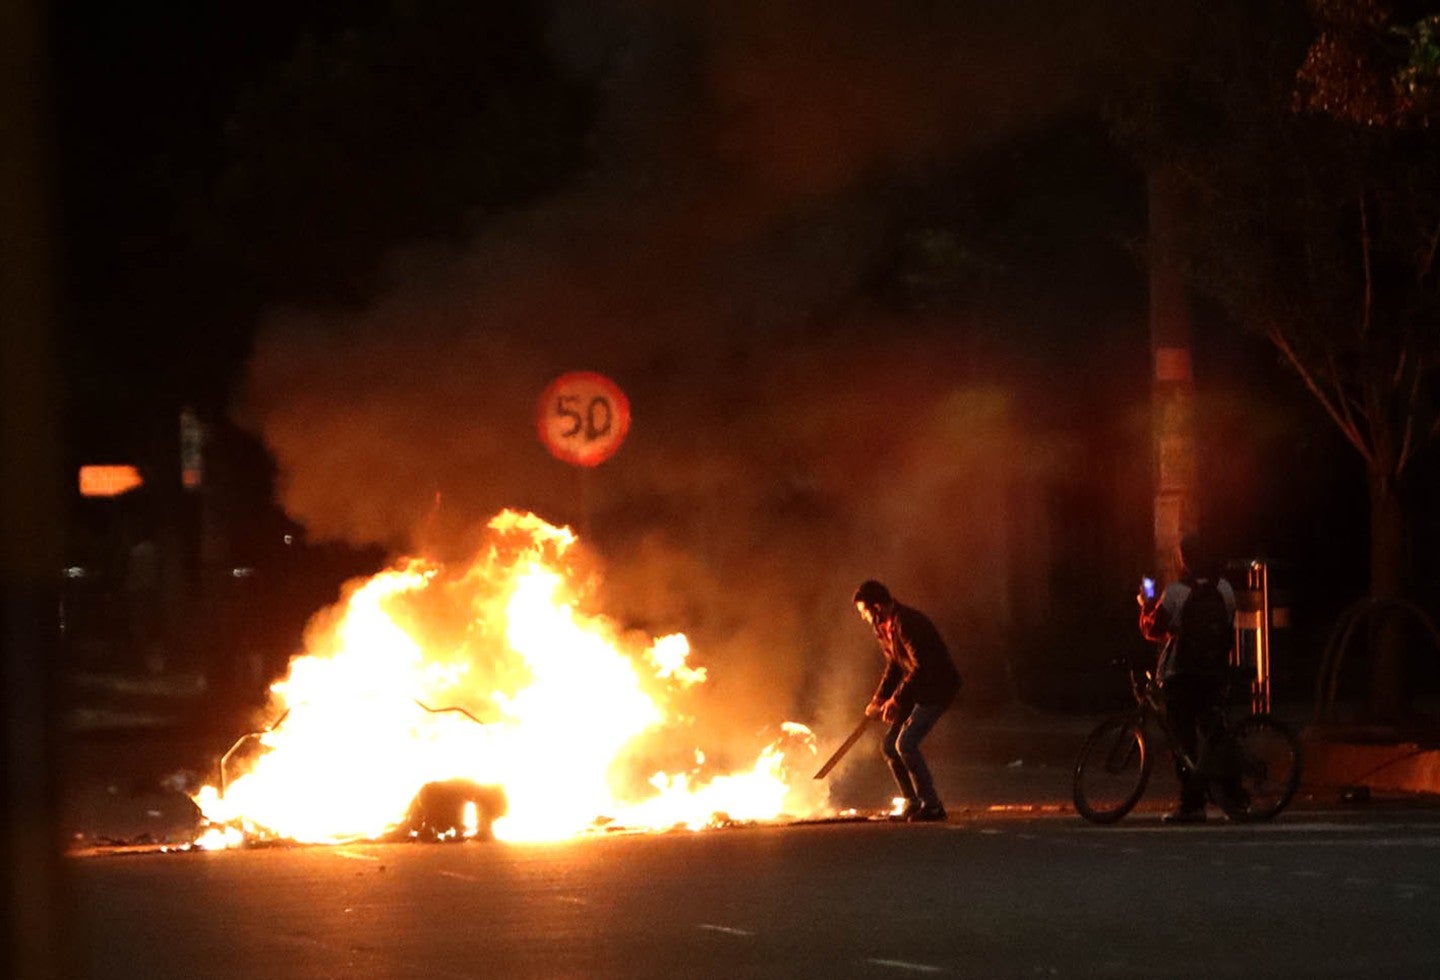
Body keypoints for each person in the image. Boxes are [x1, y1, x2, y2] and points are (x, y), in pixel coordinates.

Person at [1137, 534, 1237, 824]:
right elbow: (1228, 623)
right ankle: (1234, 793)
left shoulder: (1177, 592)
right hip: (1216, 672)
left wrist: (1146, 605)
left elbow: (1155, 629)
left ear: (1186, 559)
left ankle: (1191, 804)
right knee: (1216, 733)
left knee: (1183, 740)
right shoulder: (1225, 589)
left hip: (1182, 674)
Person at [853, 580, 962, 822]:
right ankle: (912, 802)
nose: (862, 617)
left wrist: (896, 700)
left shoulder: (909, 623)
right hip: (916, 689)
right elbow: (894, 665)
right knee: (890, 746)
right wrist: (879, 698)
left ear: (877, 607)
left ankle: (932, 805)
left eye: (864, 611)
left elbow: (921, 667)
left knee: (906, 744)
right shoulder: (883, 627)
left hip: (936, 688)